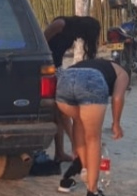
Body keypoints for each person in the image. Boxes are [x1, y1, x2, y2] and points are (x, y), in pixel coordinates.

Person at [55, 57, 129, 196]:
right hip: (91, 83)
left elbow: (63, 118)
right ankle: (93, 192)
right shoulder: (123, 73)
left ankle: (84, 169)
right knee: (93, 138)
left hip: (65, 80)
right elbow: (118, 98)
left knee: (79, 122)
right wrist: (116, 124)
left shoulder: (97, 63)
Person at [44, 15, 102, 161]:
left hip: (56, 68)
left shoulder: (72, 34)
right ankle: (75, 147)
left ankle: (62, 152)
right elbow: (42, 41)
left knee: (60, 113)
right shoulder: (60, 24)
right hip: (47, 69)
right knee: (62, 112)